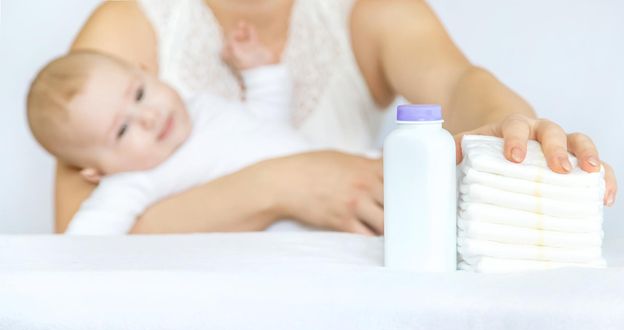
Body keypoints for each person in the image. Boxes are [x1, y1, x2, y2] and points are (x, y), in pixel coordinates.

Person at [56, 0, 617, 235]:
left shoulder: (371, 13)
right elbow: (78, 237)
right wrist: (285, 184)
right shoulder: (125, 29)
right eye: (126, 123)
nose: (143, 117)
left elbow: (458, 85)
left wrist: (509, 130)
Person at [29, 22, 335, 234]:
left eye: (139, 94)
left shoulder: (203, 105)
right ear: (97, 172)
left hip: (332, 182)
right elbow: (84, 247)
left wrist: (263, 73)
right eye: (121, 130)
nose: (147, 116)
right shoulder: (133, 183)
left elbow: (266, 127)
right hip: (302, 242)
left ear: (148, 72)